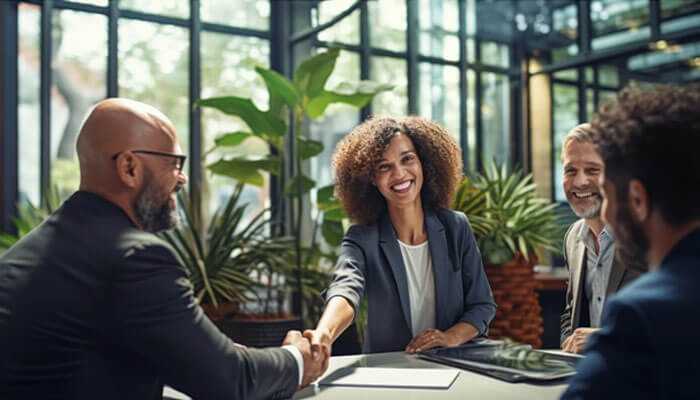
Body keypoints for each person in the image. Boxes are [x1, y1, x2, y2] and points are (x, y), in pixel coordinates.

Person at [0, 99, 326, 400]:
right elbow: (229, 380)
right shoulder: (133, 257)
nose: (182, 179)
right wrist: (297, 358)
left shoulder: (30, 251)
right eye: (175, 163)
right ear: (129, 167)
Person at [303, 116, 496, 359]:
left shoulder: (456, 227)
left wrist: (449, 337)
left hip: (455, 366)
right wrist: (324, 333)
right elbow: (345, 288)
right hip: (389, 370)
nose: (400, 174)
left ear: (424, 163)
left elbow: (482, 305)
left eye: (407, 159)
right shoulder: (362, 238)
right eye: (384, 167)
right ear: (372, 178)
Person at [561, 84, 700, 399]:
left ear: (637, 198)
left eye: (609, 193)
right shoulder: (573, 238)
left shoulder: (638, 314)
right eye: (571, 170)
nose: (606, 213)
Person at [559, 123, 642, 354]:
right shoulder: (573, 237)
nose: (579, 182)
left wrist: (605, 338)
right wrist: (568, 345)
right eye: (570, 170)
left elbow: (672, 320)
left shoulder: (646, 236)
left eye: (593, 170)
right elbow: (571, 312)